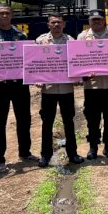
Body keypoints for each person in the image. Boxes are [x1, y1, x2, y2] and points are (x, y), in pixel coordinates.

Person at [0, 4, 34, 172]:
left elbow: (28, 59)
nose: (5, 16)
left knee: (24, 119)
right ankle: (0, 160)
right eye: (1, 13)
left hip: (20, 84)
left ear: (12, 15)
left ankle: (25, 152)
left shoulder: (21, 35)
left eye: (7, 13)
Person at [35, 15, 85, 167]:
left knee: (69, 122)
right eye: (53, 22)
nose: (56, 24)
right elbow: (34, 61)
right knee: (47, 123)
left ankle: (73, 153)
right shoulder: (40, 41)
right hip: (48, 89)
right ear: (48, 25)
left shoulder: (71, 41)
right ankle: (45, 155)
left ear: (64, 24)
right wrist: (36, 78)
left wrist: (78, 76)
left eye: (59, 22)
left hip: (66, 88)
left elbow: (77, 61)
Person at [77, 9, 108, 160]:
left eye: (99, 19)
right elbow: (77, 60)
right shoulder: (82, 37)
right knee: (92, 118)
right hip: (91, 86)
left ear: (104, 21)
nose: (96, 22)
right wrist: (83, 74)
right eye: (93, 20)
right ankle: (93, 147)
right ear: (89, 21)